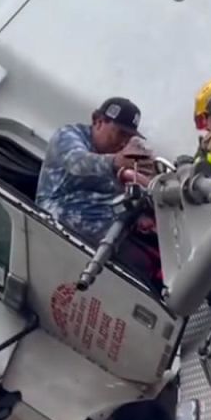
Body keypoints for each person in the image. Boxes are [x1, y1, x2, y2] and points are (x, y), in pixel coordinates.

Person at [36, 97, 162, 289]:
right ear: (98, 121)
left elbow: (118, 192)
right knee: (138, 262)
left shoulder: (112, 159)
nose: (123, 143)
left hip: (104, 222)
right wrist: (115, 162)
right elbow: (78, 163)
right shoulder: (68, 136)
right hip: (60, 218)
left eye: (128, 138)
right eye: (120, 134)